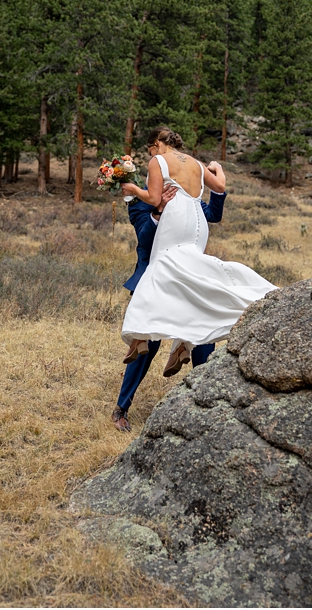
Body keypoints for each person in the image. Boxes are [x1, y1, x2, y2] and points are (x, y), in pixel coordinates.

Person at [120, 127, 277, 378]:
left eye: (150, 149)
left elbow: (153, 198)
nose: (150, 153)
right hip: (197, 223)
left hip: (175, 218)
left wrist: (133, 191)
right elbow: (220, 186)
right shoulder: (195, 162)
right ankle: (182, 345)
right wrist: (219, 169)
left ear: (157, 145)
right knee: (189, 273)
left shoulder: (157, 161)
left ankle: (140, 337)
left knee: (158, 272)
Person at [111, 165, 227, 433]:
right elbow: (144, 238)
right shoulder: (141, 203)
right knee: (145, 347)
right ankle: (121, 409)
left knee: (203, 340)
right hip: (154, 281)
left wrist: (218, 189)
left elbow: (212, 214)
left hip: (187, 279)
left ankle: (207, 407)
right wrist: (158, 209)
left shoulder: (185, 198)